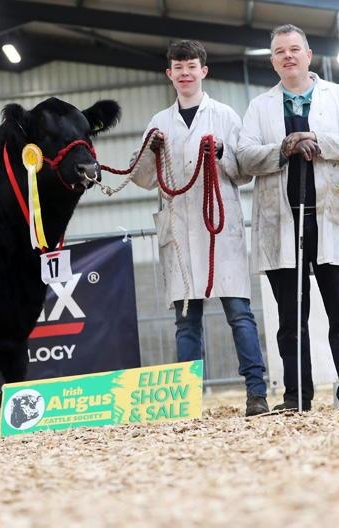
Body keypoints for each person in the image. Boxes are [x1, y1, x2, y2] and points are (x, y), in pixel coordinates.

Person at [128, 40, 269, 417]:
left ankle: (256, 393)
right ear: (169, 74)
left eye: (192, 66)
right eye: (179, 67)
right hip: (179, 231)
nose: (186, 72)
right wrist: (150, 150)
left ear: (203, 71)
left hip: (219, 231)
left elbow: (245, 172)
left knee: (239, 314)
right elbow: (142, 178)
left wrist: (222, 152)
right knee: (185, 322)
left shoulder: (224, 116)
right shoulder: (158, 123)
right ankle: (184, 402)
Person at [237, 24, 339, 411]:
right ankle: (298, 396)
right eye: (280, 51)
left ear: (309, 55)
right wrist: (283, 147)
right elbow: (245, 156)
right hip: (284, 220)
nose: (288, 56)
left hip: (330, 216)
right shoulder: (260, 106)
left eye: (295, 49)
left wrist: (318, 141)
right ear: (273, 61)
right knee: (291, 318)